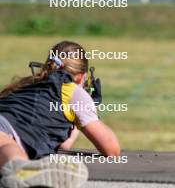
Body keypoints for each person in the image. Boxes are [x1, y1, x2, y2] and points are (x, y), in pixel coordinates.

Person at [0, 41, 120, 188]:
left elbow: (64, 144)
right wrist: (89, 108)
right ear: (81, 77)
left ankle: (21, 170)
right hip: (5, 128)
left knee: (6, 144)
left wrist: (77, 120)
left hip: (5, 124)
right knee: (6, 145)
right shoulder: (74, 92)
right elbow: (112, 149)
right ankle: (22, 171)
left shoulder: (28, 83)